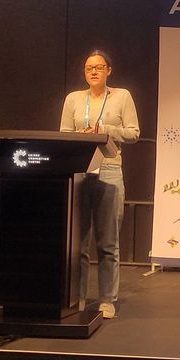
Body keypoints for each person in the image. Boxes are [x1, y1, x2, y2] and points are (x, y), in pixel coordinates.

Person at [59, 50, 139, 319]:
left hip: (109, 170)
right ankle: (77, 297)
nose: (93, 72)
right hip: (80, 171)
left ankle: (107, 299)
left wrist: (105, 130)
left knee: (107, 241)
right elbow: (63, 135)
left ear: (109, 71)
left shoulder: (122, 96)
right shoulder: (73, 99)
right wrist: (80, 137)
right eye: (89, 68)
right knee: (77, 242)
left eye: (99, 67)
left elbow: (133, 133)